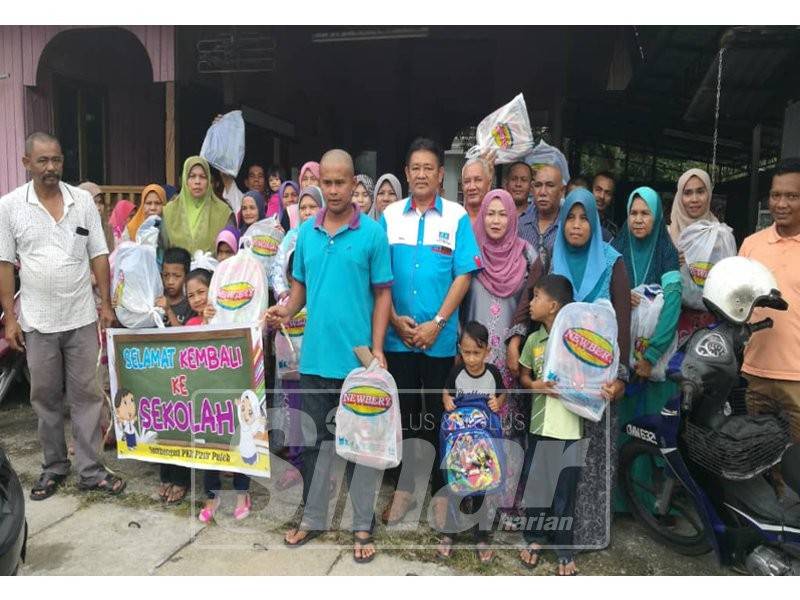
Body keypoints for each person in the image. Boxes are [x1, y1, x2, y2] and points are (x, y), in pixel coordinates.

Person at [264, 149, 393, 564]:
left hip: (358, 364)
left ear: (354, 183)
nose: (335, 191)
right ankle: (314, 515)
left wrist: (376, 350)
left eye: (342, 182)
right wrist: (284, 310)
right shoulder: (306, 234)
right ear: (319, 184)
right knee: (317, 443)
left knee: (362, 447)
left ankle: (362, 522)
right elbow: (300, 290)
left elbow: (382, 294)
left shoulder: (372, 233)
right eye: (328, 183)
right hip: (315, 358)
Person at [0, 132, 125, 500]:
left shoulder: (82, 201)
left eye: (56, 159)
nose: (51, 167)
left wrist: (106, 303)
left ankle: (90, 469)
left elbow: (99, 254)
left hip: (82, 315)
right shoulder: (10, 206)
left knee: (87, 395)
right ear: (26, 163)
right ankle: (54, 466)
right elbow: (5, 264)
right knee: (45, 397)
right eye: (43, 161)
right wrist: (10, 317)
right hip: (38, 320)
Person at [508, 188, 630, 549]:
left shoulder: (613, 262)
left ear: (594, 222)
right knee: (547, 459)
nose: (576, 226)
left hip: (596, 378)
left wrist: (620, 375)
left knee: (586, 461)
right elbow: (527, 300)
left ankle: (579, 536)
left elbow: (623, 322)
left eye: (584, 218)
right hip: (555, 381)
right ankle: (539, 532)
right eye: (570, 218)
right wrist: (516, 339)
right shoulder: (549, 256)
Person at [380, 137, 482, 528]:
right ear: (406, 174)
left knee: (441, 415)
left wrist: (437, 323)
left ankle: (442, 492)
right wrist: (392, 321)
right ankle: (405, 490)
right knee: (405, 416)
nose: (421, 174)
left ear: (441, 175)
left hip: (438, 339)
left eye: (429, 168)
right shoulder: (389, 216)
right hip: (398, 337)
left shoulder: (456, 217)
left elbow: (464, 275)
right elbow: (379, 276)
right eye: (415, 168)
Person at [462, 188, 541, 506]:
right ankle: (475, 498)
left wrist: (521, 349)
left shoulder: (528, 255)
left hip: (509, 359)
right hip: (474, 358)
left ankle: (505, 501)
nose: (496, 220)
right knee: (475, 427)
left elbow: (534, 308)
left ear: (513, 218)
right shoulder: (470, 250)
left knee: (507, 430)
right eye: (490, 213)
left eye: (503, 214)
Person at [611, 187, 682, 511]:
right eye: (634, 213)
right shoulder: (616, 248)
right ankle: (616, 500)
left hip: (651, 364)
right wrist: (621, 295)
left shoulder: (666, 252)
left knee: (648, 428)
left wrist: (650, 355)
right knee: (621, 425)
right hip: (621, 357)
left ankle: (644, 503)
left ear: (657, 217)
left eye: (645, 213)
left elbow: (673, 304)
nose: (638, 220)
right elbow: (601, 292)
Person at [518, 274, 581, 575]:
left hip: (570, 427)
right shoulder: (533, 340)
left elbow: (591, 377)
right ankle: (533, 538)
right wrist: (535, 386)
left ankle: (564, 548)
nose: (530, 303)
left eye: (536, 297)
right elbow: (523, 377)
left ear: (553, 305)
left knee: (564, 492)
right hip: (540, 425)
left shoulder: (579, 341)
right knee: (538, 486)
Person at [739, 158, 800, 443]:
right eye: (776, 195)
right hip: (756, 373)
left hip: (798, 379)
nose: (782, 203)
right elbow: (735, 300)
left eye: (792, 196)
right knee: (760, 457)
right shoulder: (752, 244)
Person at [437, 321, 506, 564]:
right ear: (460, 350)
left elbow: (502, 393)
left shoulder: (493, 373)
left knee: (482, 487)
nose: (472, 358)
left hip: (484, 445)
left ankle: (482, 536)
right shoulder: (457, 372)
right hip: (460, 444)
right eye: (466, 352)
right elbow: (446, 392)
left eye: (477, 353)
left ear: (487, 351)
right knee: (455, 486)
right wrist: (446, 400)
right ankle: (449, 533)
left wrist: (498, 402)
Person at [668, 168, 719, 346]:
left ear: (709, 194)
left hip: (711, 329)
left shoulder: (721, 236)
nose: (694, 199)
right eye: (688, 193)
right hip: (667, 326)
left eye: (700, 191)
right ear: (680, 197)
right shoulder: (667, 236)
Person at [161, 156, 233, 255]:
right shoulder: (170, 211)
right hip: (176, 269)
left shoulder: (223, 212)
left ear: (209, 181)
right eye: (192, 176)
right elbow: (161, 249)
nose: (197, 182)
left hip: (212, 269)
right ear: (185, 180)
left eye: (203, 177)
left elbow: (230, 250)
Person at [270, 186, 325, 300]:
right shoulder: (292, 237)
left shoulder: (328, 236)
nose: (307, 212)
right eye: (303, 208)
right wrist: (283, 293)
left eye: (312, 207)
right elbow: (277, 269)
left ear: (322, 208)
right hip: (293, 305)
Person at [518, 164, 562, 274]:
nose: (542, 192)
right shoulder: (519, 224)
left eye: (550, 185)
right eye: (538, 185)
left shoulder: (568, 227)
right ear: (532, 190)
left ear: (562, 191)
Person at [79, 182, 114, 251]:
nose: (98, 208)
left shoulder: (106, 227)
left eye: (100, 202)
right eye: (93, 202)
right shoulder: (70, 228)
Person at [461, 157, 493, 223]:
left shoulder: (496, 222)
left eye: (478, 180)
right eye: (467, 181)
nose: (472, 187)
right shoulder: (454, 218)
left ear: (489, 184)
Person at [592, 171, 618, 240]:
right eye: (598, 190)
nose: (602, 196)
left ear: (612, 198)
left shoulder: (612, 230)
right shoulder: (577, 221)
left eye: (607, 193)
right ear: (590, 190)